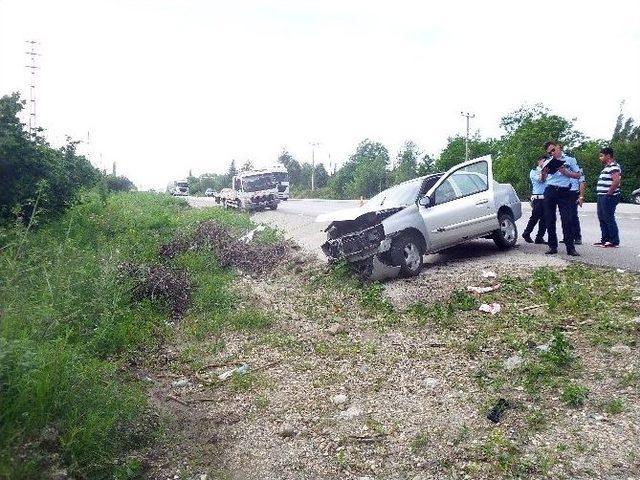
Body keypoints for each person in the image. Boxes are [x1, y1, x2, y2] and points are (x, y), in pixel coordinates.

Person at [540, 141, 582, 256]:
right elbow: (542, 180)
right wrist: (544, 173)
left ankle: (570, 248)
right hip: (550, 190)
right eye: (549, 152)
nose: (552, 153)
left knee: (567, 219)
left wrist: (566, 173)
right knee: (549, 218)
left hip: (564, 191)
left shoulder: (570, 160)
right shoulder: (547, 162)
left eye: (553, 150)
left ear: (559, 147)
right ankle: (552, 246)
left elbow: (578, 175)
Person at [594, 146, 622, 247]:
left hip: (609, 196)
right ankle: (605, 239)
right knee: (602, 217)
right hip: (602, 195)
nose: (600, 158)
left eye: (602, 156)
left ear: (608, 156)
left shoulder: (614, 166)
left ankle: (614, 241)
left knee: (608, 217)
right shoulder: (607, 167)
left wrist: (609, 194)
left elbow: (616, 181)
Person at [522, 156, 547, 244]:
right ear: (539, 161)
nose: (544, 163)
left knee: (545, 219)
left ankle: (539, 237)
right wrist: (544, 172)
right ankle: (526, 233)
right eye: (543, 161)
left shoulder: (549, 172)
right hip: (538, 198)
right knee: (535, 217)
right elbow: (541, 180)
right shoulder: (534, 171)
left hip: (546, 197)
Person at [561, 164, 586, 245]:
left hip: (573, 193)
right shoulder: (561, 167)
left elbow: (582, 182)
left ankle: (577, 237)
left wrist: (581, 196)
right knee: (565, 216)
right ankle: (567, 237)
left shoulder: (578, 168)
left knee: (573, 215)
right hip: (563, 192)